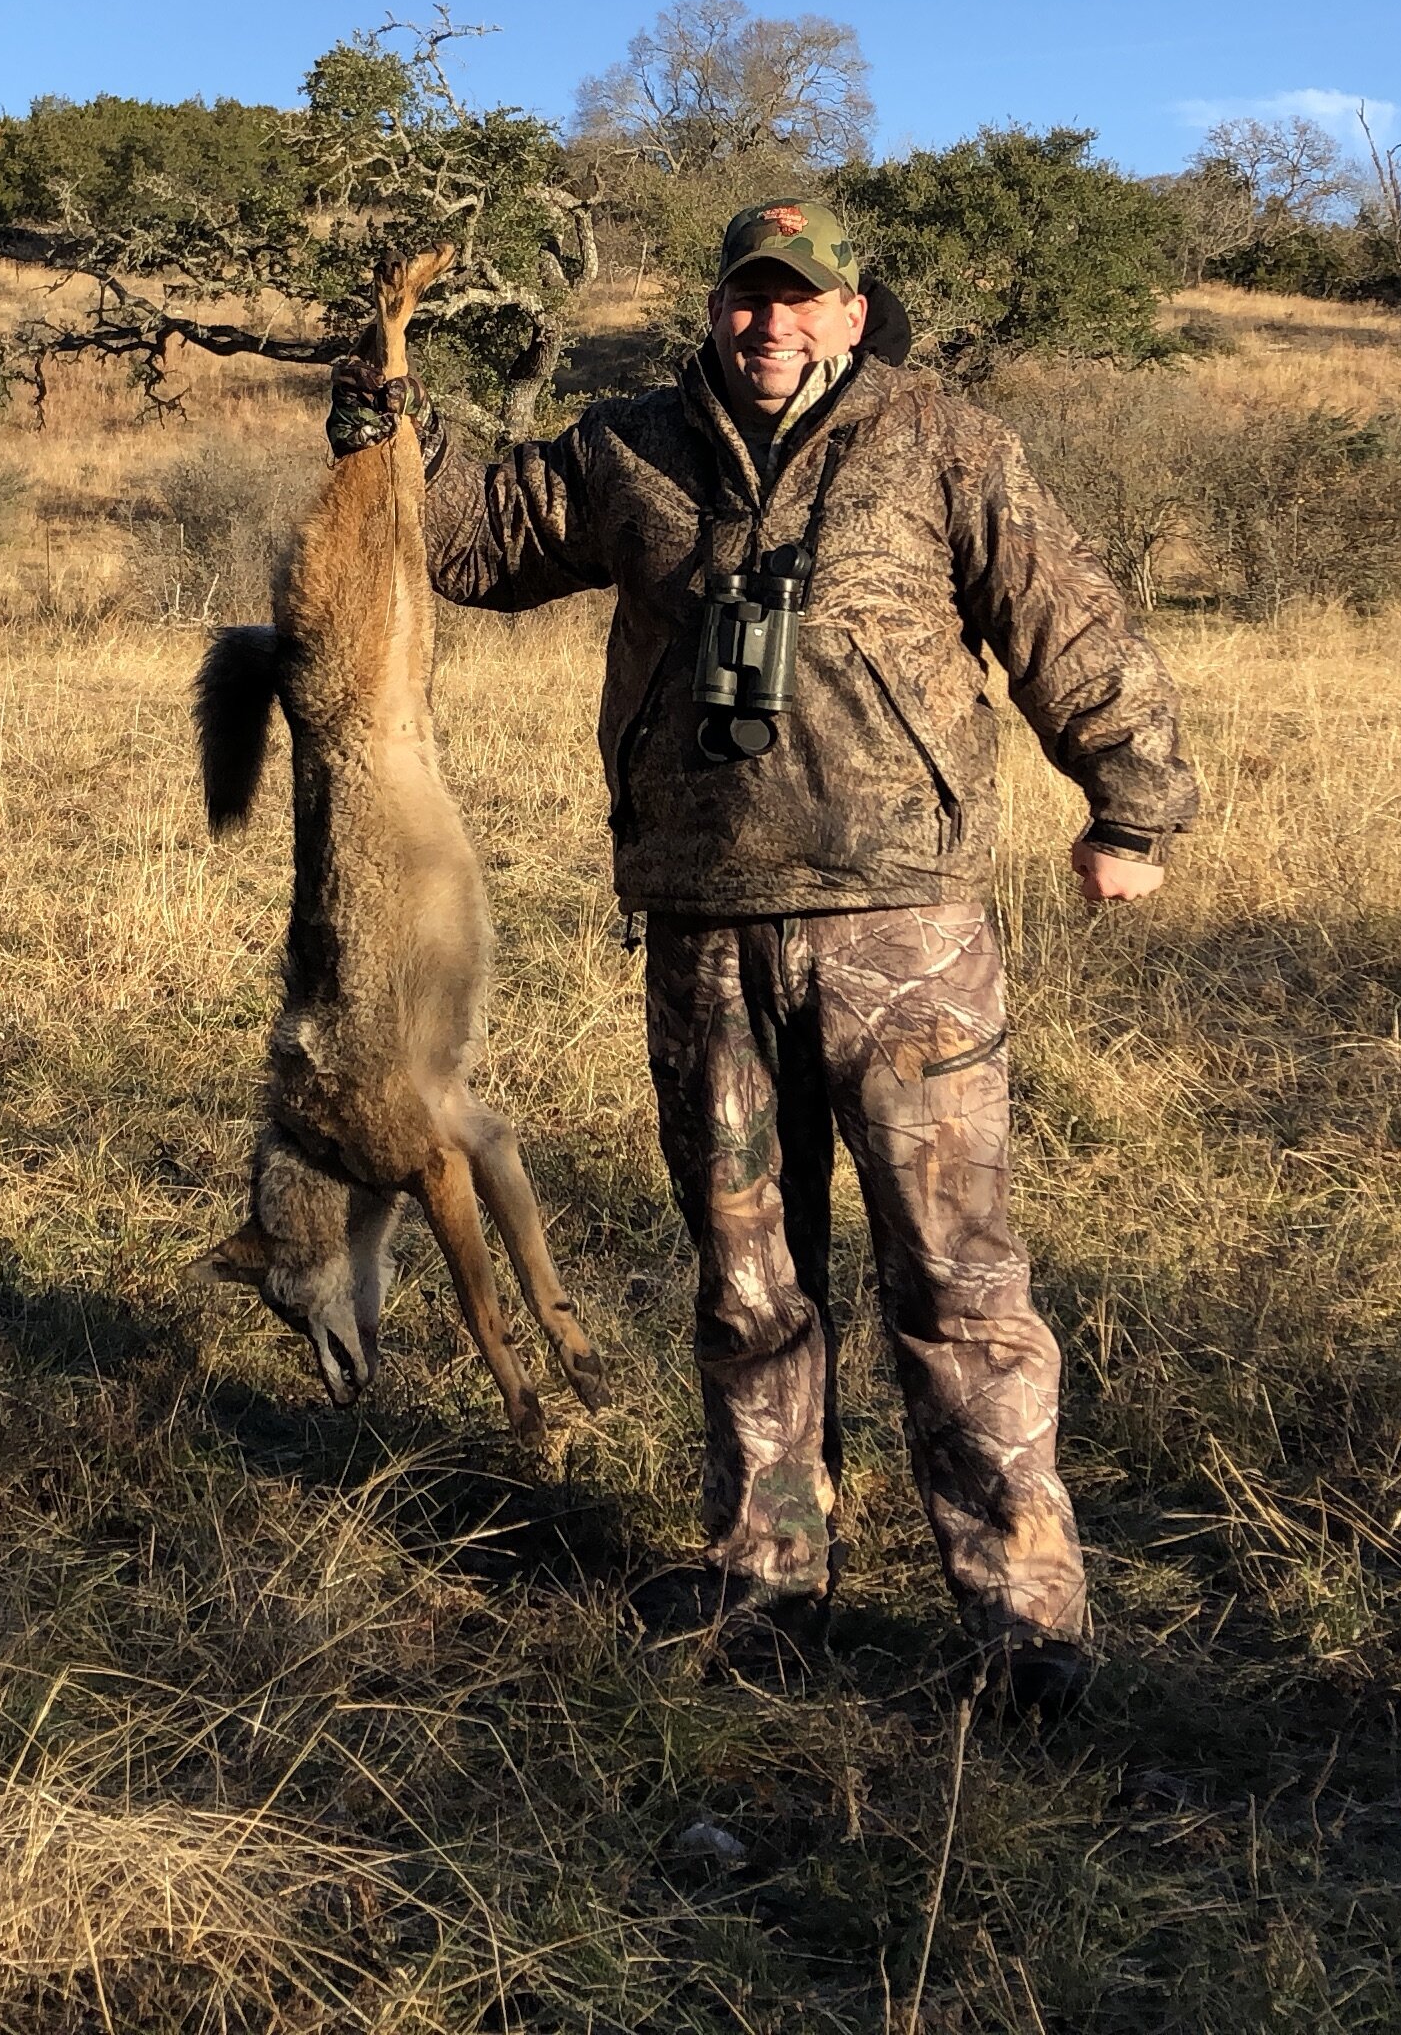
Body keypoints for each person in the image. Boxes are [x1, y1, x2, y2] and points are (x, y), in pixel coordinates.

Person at [328, 201, 1195, 1711]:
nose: (771, 325)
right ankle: (765, 1569)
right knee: (744, 1274)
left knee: (957, 1276)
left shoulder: (943, 442)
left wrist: (1131, 798)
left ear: (855, 315)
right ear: (715, 311)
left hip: (904, 927)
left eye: (804, 301)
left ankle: (1024, 1619)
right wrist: (380, 418)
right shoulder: (627, 449)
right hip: (706, 925)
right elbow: (467, 540)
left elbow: (1065, 614)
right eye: (748, 298)